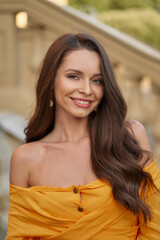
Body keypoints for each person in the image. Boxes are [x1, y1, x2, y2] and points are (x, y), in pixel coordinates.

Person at [5, 33, 160, 240]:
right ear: (51, 81)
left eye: (97, 80)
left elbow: (155, 228)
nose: (87, 90)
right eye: (73, 76)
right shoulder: (26, 159)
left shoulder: (129, 137)